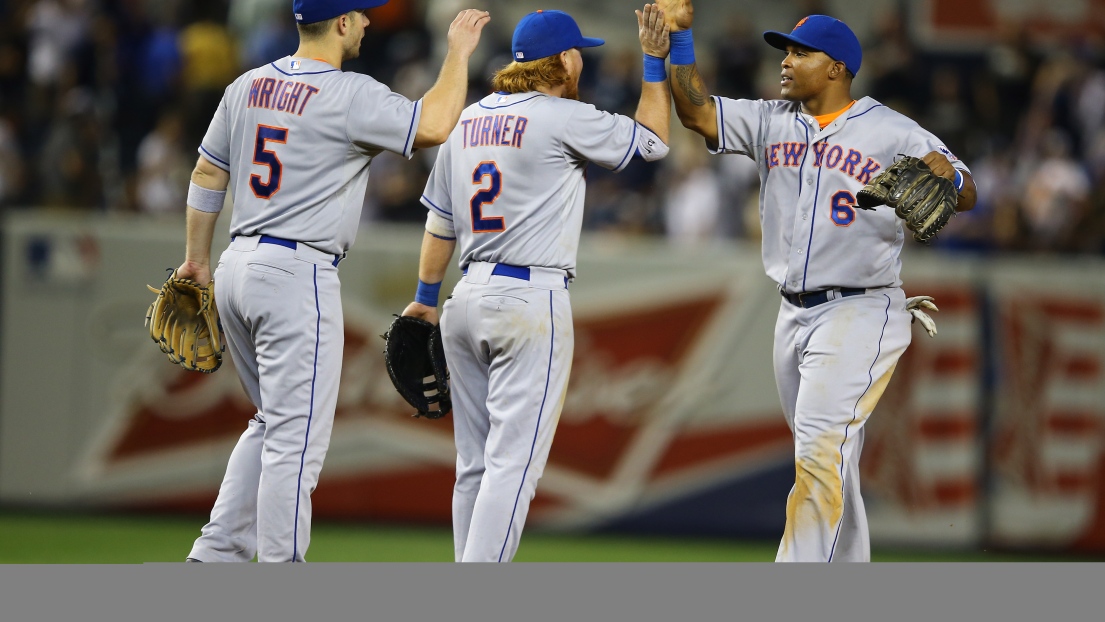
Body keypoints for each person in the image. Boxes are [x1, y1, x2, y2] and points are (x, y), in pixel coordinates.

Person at [654, 3, 978, 562]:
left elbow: (967, 189)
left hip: (860, 310)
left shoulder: (889, 129)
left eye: (801, 52)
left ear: (837, 68)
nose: (786, 61)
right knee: (830, 462)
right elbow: (696, 112)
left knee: (820, 455)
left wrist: (950, 175)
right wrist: (681, 38)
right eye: (786, 50)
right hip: (793, 314)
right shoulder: (772, 120)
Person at [177, 0, 490, 563]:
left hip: (234, 267)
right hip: (295, 274)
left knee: (272, 423)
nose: (369, 22)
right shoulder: (351, 93)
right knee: (295, 443)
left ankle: (215, 556)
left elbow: (206, 172)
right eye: (361, 14)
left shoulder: (246, 84)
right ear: (341, 22)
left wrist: (195, 260)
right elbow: (437, 124)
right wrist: (458, 52)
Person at [399, 6, 672, 562]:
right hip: (528, 300)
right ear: (563, 60)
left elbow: (440, 224)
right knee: (512, 467)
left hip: (463, 299)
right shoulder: (559, 115)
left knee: (474, 464)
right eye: (579, 54)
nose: (582, 62)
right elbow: (653, 142)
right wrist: (654, 62)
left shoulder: (469, 120)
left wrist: (425, 299)